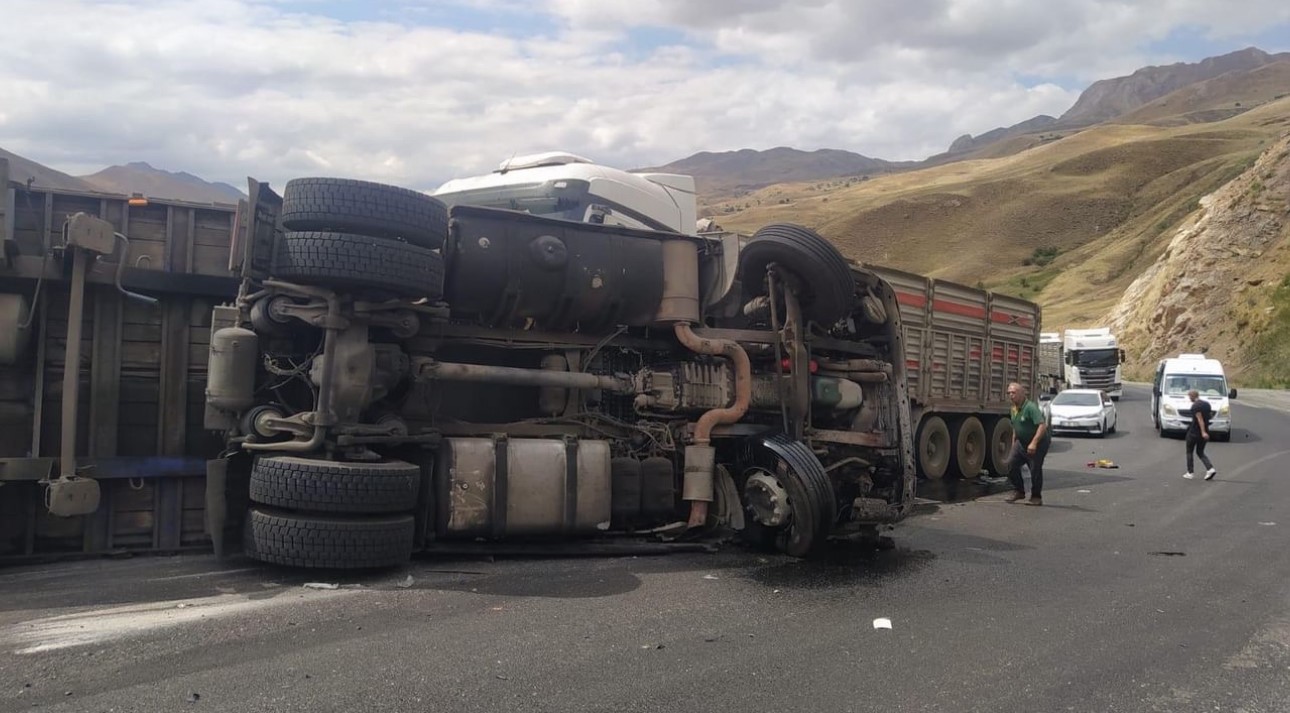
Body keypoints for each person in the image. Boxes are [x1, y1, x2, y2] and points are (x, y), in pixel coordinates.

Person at [1005, 382, 1051, 505]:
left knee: (1034, 469)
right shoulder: (1013, 408)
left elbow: (1042, 426)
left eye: (1013, 393)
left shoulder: (1030, 407)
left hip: (1038, 442)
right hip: (1022, 442)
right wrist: (1014, 442)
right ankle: (1019, 491)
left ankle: (1036, 497)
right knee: (1010, 464)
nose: (1011, 395)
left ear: (1021, 394)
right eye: (1009, 393)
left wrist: (1034, 443)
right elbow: (1016, 426)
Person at [1183, 389, 1217, 480]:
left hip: (1194, 432)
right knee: (1200, 452)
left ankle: (1190, 472)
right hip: (1206, 430)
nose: (1189, 398)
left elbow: (1200, 419)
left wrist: (1203, 432)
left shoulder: (1195, 406)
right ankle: (1210, 468)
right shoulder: (1207, 404)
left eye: (1189, 397)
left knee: (1189, 451)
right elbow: (1209, 416)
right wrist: (1205, 431)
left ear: (1192, 396)